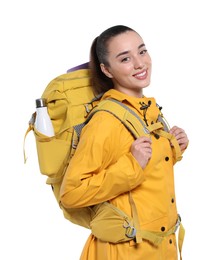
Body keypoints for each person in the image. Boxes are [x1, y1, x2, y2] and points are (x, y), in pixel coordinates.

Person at [60, 25, 189, 260]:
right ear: (107, 70)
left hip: (161, 249)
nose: (140, 63)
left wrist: (174, 147)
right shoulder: (105, 121)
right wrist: (131, 166)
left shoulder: (147, 111)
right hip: (123, 252)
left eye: (142, 51)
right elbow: (71, 193)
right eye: (125, 58)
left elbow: (147, 168)